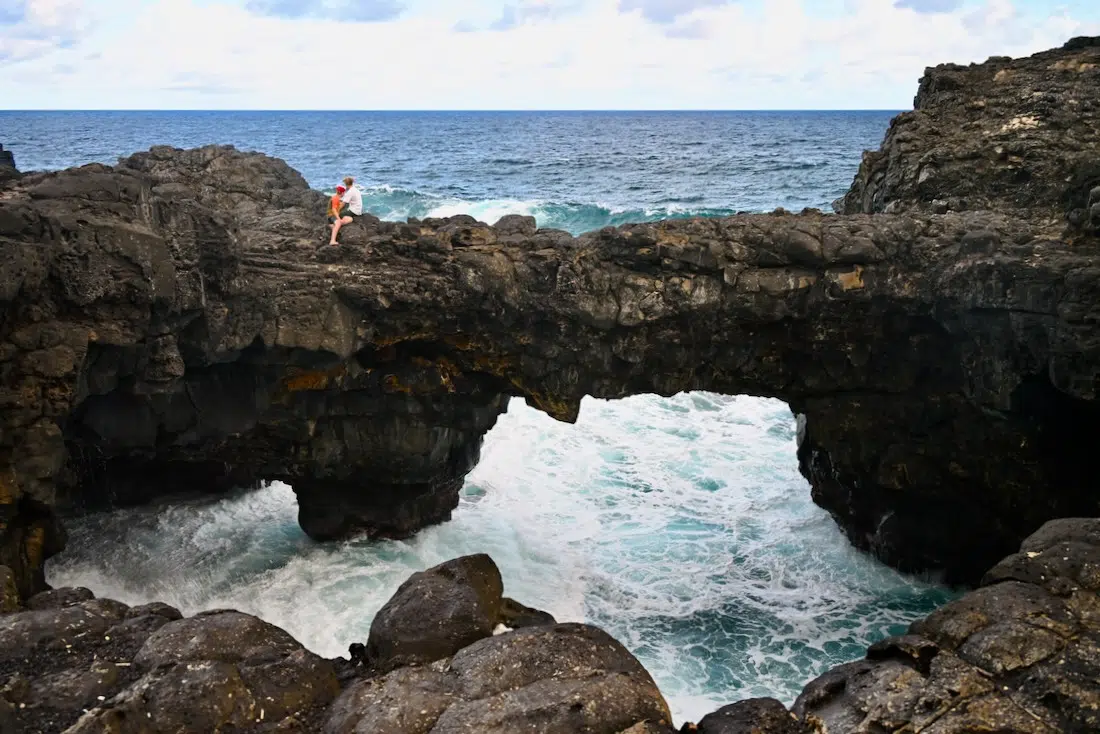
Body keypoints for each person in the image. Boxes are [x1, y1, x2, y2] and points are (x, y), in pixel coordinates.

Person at [328, 176, 363, 246]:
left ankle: (333, 225)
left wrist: (336, 211)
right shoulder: (356, 189)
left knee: (339, 215)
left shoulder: (350, 192)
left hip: (354, 211)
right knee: (347, 218)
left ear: (346, 184)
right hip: (359, 211)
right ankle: (335, 224)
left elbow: (342, 204)